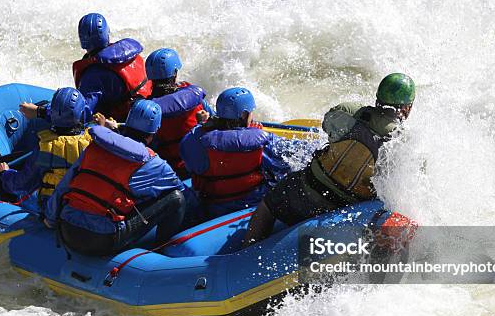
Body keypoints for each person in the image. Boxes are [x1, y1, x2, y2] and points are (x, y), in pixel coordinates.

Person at [243, 73, 416, 246]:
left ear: (378, 97)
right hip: (346, 209)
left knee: (267, 205)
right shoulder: (402, 142)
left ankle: (248, 247)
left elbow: (327, 127)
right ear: (407, 108)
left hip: (306, 190)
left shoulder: (348, 111)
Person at [45, 99, 186, 256]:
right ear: (154, 133)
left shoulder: (95, 146)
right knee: (176, 198)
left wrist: (50, 219)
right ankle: (162, 251)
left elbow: (64, 185)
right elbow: (181, 191)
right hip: (103, 240)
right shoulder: (154, 164)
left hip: (67, 229)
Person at [180, 87, 291, 219]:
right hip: (252, 204)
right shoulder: (263, 140)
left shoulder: (192, 140)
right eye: (250, 112)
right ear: (244, 115)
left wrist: (202, 125)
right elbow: (286, 161)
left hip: (210, 207)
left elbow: (192, 163)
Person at [0, 87, 94, 210]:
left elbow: (21, 184)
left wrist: (5, 173)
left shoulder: (46, 148)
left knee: (21, 195)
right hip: (83, 204)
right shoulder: (93, 141)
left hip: (51, 207)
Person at [145, 48, 214, 177]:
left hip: (169, 170)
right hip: (199, 166)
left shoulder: (146, 111)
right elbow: (215, 119)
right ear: (175, 73)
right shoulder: (195, 100)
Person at [71, 13, 152, 121]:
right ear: (107, 33)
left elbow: (81, 114)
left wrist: (45, 111)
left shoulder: (93, 75)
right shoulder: (129, 53)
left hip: (125, 121)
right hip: (149, 109)